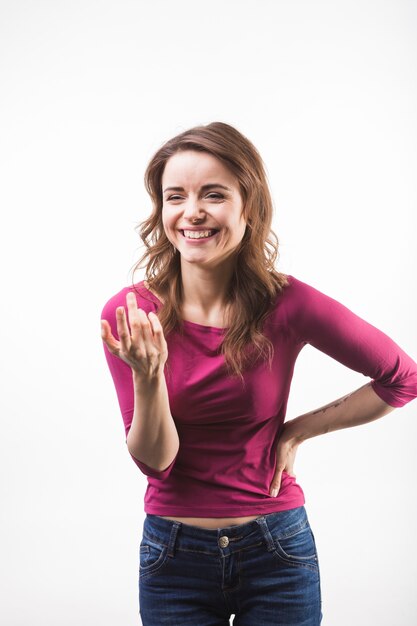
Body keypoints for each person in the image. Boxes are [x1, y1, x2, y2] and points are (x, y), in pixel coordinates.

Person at [100, 121, 417, 626]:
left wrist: (299, 430)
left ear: (249, 206)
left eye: (214, 194)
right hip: (172, 557)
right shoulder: (132, 314)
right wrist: (148, 374)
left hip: (277, 551)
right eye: (175, 196)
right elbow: (157, 464)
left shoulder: (288, 303)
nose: (192, 212)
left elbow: (403, 378)